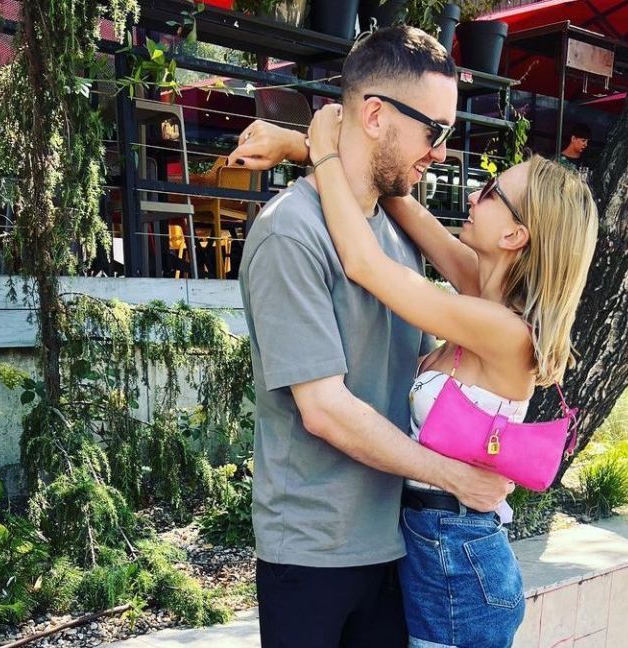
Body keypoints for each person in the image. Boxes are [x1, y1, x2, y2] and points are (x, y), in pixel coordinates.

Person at [239, 104, 599, 646]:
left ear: (514, 236)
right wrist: (301, 145)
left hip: (457, 562)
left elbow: (364, 263)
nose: (473, 194)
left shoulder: (503, 329)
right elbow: (398, 199)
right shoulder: (482, 289)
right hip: (431, 546)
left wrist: (325, 149)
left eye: (491, 192)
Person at [233, 26, 515, 648]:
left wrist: (310, 146)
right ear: (376, 115)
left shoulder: (389, 229)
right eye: (434, 131)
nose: (441, 152)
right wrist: (455, 477)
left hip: (396, 543)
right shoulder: (290, 233)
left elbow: (406, 362)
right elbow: (325, 410)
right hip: (315, 549)